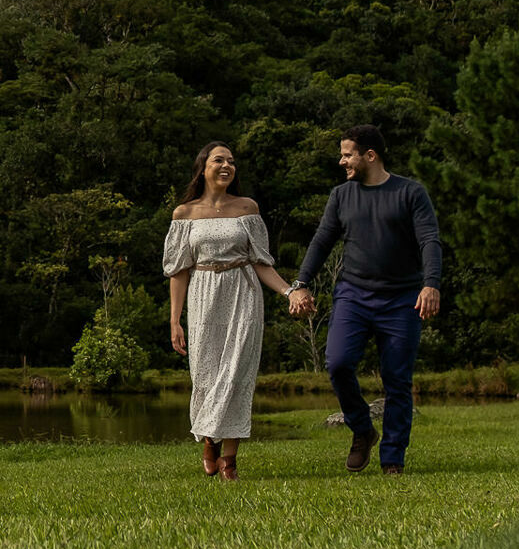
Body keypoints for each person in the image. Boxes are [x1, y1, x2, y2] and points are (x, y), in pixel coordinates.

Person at [288, 124, 443, 477]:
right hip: (353, 295)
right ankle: (362, 429)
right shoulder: (341, 196)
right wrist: (300, 284)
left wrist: (430, 284)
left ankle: (393, 459)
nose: (342, 161)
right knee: (338, 363)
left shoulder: (410, 193)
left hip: (403, 298)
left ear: (369, 155)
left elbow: (429, 241)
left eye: (347, 154)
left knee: (397, 379)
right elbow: (322, 241)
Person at [164, 141, 298, 481]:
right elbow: (179, 271)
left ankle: (230, 459)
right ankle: (209, 440)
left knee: (238, 374)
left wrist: (288, 291)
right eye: (219, 160)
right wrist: (174, 321)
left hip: (244, 294)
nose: (227, 166)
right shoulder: (185, 214)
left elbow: (261, 262)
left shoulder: (247, 208)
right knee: (206, 374)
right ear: (203, 167)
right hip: (203, 295)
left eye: (232, 162)